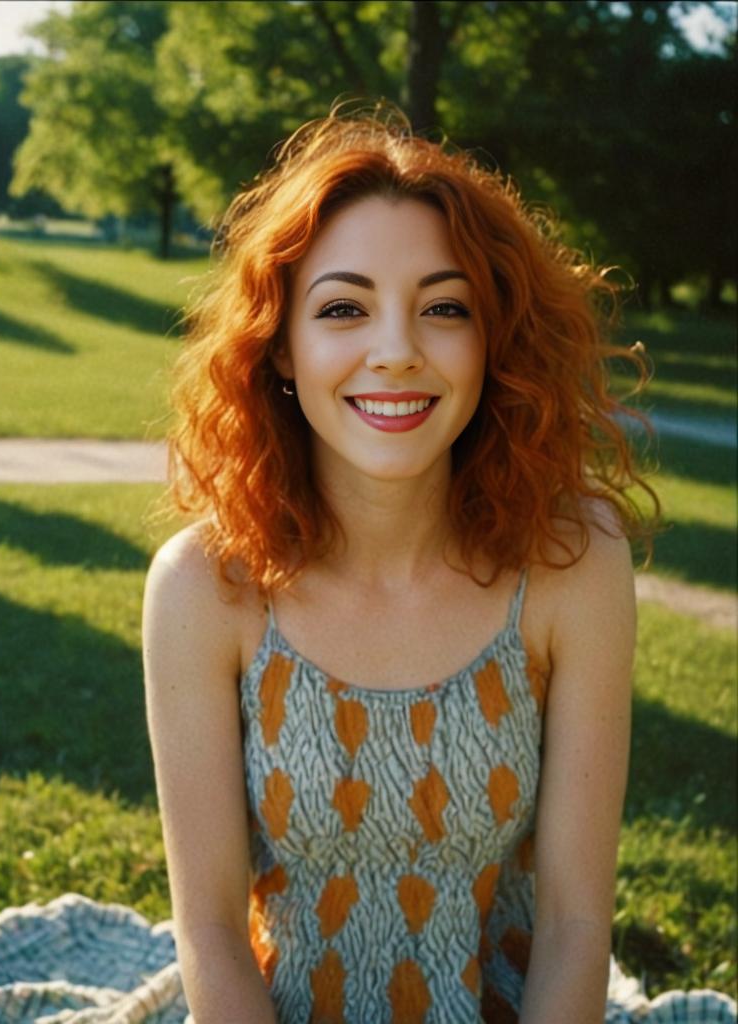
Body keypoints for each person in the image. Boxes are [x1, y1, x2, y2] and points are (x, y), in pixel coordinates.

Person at [142, 99, 658, 1024]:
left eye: (443, 308)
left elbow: (577, 922)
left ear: (491, 340)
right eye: (344, 307)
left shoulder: (572, 562)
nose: (396, 353)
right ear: (283, 347)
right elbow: (211, 932)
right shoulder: (203, 588)